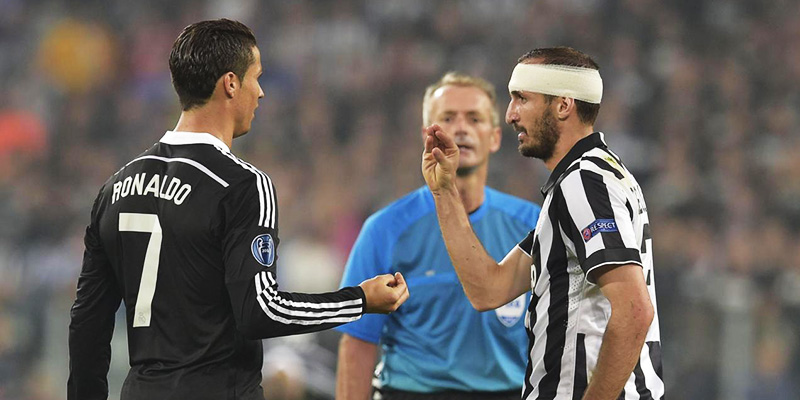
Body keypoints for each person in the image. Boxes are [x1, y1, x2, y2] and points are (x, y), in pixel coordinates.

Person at [67, 19, 409, 400]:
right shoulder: (243, 185)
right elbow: (260, 310)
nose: (261, 93)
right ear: (230, 83)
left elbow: (87, 325)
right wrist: (359, 300)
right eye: (256, 78)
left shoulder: (116, 189)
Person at [421, 47, 664, 400]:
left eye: (521, 99)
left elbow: (634, 310)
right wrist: (444, 190)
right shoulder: (584, 182)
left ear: (563, 105)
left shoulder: (585, 183)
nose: (509, 115)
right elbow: (489, 289)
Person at [336, 72, 541, 400]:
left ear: (495, 137)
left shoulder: (533, 224)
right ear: (426, 135)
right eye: (448, 118)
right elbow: (358, 342)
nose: (461, 128)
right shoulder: (385, 229)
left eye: (474, 118)